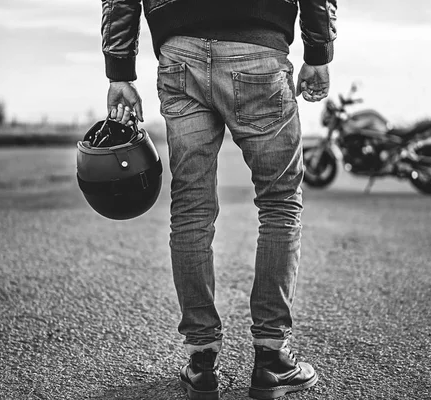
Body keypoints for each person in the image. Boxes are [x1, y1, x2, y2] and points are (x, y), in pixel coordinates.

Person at [101, 1, 337, 399]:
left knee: (191, 208)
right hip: (258, 49)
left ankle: (201, 361)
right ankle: (272, 358)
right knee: (280, 203)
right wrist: (318, 51)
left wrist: (119, 70)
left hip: (180, 55)